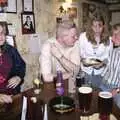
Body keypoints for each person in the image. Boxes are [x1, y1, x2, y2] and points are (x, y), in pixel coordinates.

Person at [78, 15, 113, 88]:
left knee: (96, 95)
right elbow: (80, 54)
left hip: (100, 73)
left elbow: (109, 58)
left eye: (99, 26)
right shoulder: (83, 37)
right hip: (85, 72)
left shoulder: (109, 39)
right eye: (94, 26)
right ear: (90, 26)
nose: (97, 29)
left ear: (103, 26)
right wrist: (84, 61)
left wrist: (102, 64)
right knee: (84, 92)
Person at [0, 22, 26, 103]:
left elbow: (21, 66)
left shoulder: (11, 50)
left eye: (2, 33)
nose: (1, 36)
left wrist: (18, 77)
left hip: (13, 95)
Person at [101, 23, 120, 108]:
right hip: (104, 84)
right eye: (112, 35)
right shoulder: (113, 50)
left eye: (115, 35)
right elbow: (108, 65)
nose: (112, 38)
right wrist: (100, 65)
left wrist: (117, 90)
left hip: (116, 89)